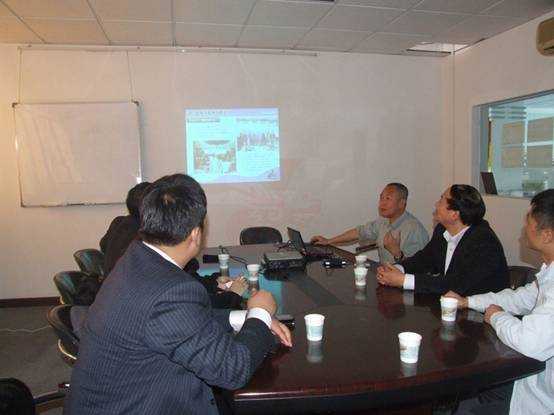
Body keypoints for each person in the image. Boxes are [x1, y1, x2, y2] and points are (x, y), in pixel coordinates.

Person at [65, 174, 292, 415]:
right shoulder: (170, 290)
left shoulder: (136, 258)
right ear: (195, 234)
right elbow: (232, 370)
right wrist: (260, 311)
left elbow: (182, 321)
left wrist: (243, 318)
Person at [447, 189, 554, 415]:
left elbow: (530, 342)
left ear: (546, 235)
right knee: (476, 389)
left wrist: (496, 316)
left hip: (543, 400)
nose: (524, 227)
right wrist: (468, 301)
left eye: (529, 221)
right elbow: (519, 298)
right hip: (530, 380)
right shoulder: (548, 272)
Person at [377, 184, 509, 296]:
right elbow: (424, 259)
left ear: (454, 214)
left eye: (441, 200)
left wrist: (403, 280)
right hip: (452, 304)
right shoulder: (442, 230)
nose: (436, 204)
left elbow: (455, 283)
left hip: (484, 311)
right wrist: (397, 269)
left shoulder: (483, 241)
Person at [311, 183, 428, 264]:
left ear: (401, 203)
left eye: (388, 199)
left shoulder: (414, 229)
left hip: (404, 285)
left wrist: (397, 253)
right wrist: (329, 241)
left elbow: (419, 268)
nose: (382, 203)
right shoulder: (383, 222)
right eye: (381, 198)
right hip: (385, 277)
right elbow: (359, 232)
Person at [100, 181, 151, 275]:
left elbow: (103, 245)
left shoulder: (118, 222)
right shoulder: (146, 232)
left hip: (111, 279)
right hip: (128, 281)